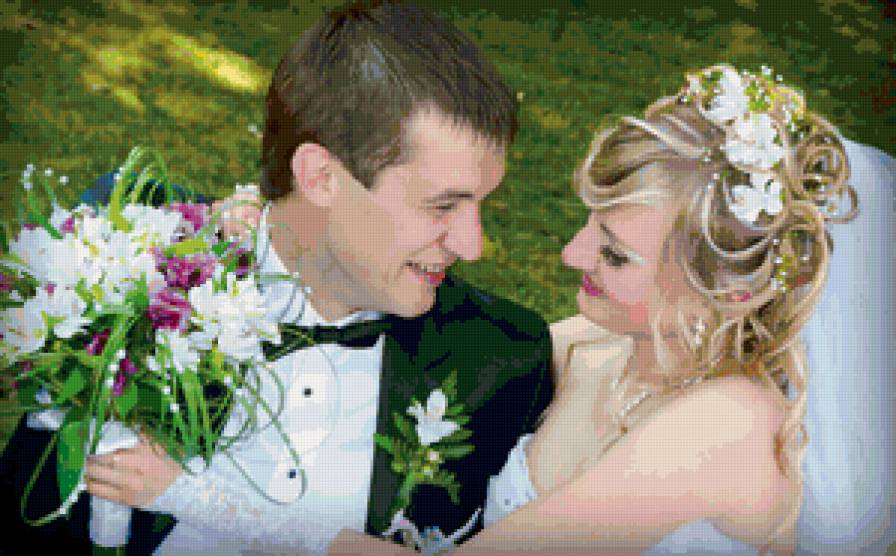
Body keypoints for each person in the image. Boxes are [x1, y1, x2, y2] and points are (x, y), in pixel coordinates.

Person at [0, 2, 553, 555]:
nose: (472, 244)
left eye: (481, 203)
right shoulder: (129, 270)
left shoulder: (499, 360)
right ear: (321, 177)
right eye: (442, 206)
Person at [323, 64, 869, 555]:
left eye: (615, 254)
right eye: (591, 223)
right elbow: (442, 349)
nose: (572, 254)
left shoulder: (728, 423)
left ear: (729, 293)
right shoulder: (596, 346)